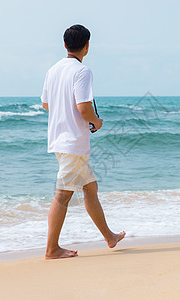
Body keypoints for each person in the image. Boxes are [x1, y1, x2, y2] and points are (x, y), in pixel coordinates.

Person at [41, 24, 125, 259]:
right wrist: (96, 122)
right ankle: (52, 249)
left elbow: (46, 105)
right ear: (87, 46)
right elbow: (84, 108)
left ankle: (109, 236)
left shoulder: (53, 70)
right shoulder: (82, 71)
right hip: (73, 142)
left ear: (65, 45)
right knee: (63, 195)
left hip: (59, 140)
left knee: (90, 186)